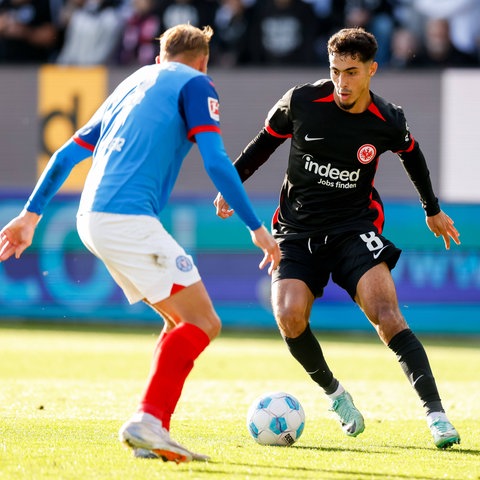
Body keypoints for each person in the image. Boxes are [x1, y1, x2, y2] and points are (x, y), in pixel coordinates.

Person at [0, 23, 280, 462]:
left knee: (177, 321)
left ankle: (152, 433)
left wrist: (29, 216)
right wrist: (255, 226)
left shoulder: (132, 83)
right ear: (204, 61)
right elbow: (216, 159)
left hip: (91, 217)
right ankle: (148, 420)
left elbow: (66, 155)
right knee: (205, 322)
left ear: (158, 58)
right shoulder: (197, 84)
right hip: (126, 218)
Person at [214, 27, 461, 449]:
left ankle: (436, 416)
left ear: (371, 71)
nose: (342, 83)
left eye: (351, 72)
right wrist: (231, 184)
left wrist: (432, 208)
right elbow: (262, 145)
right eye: (335, 71)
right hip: (297, 231)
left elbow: (412, 154)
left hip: (353, 229)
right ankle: (336, 395)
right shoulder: (301, 102)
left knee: (387, 315)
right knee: (289, 317)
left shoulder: (386, 119)